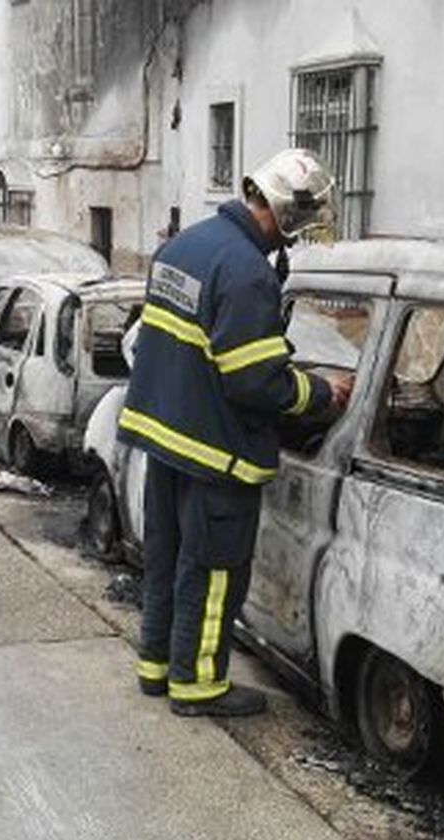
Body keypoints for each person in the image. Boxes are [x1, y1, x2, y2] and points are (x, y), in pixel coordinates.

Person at [119, 148, 353, 718]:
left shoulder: (184, 246)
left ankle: (157, 669)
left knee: (168, 558)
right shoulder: (248, 272)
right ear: (291, 214)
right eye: (302, 229)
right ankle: (199, 685)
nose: (294, 243)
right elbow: (255, 383)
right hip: (214, 452)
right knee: (215, 570)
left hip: (164, 438)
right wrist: (323, 393)